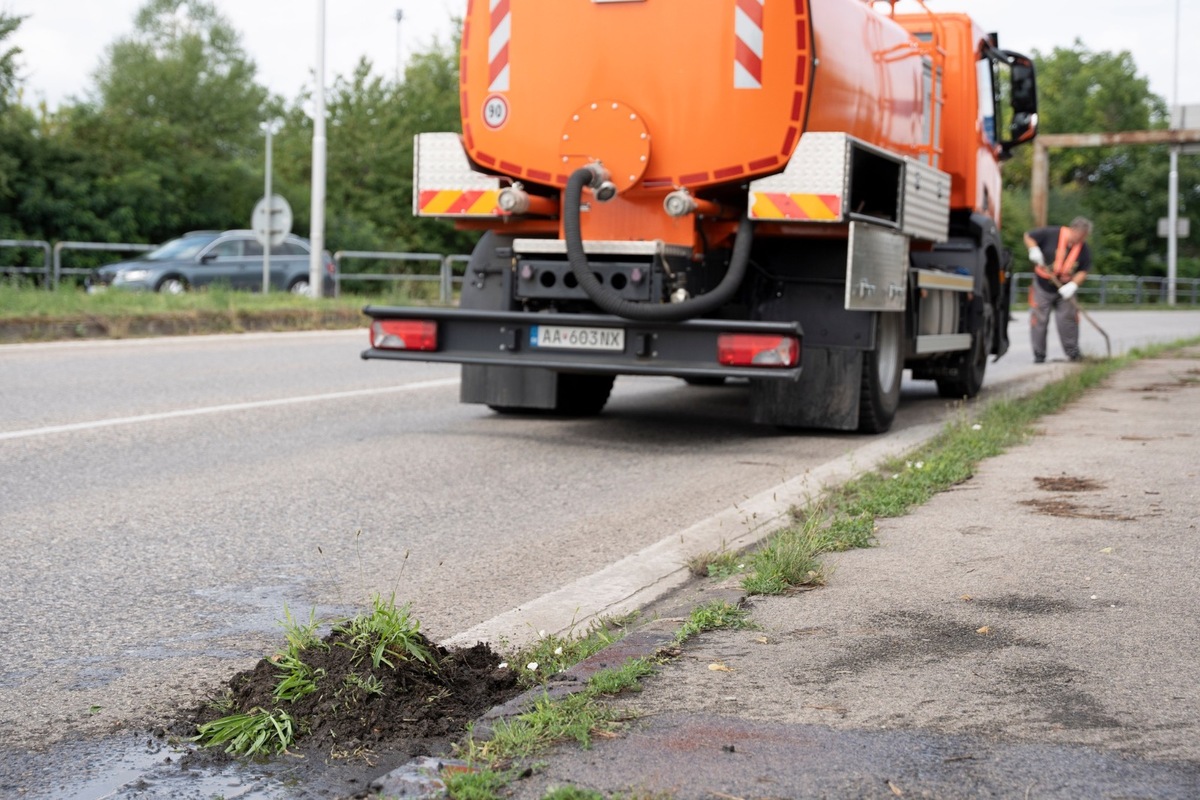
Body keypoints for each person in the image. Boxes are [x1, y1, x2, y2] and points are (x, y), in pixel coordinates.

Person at [1023, 217, 1093, 363]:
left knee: (1068, 320)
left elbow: (1083, 271)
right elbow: (1028, 236)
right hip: (1042, 285)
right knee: (1039, 319)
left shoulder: (1083, 248)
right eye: (1080, 235)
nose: (1081, 239)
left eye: (1084, 237)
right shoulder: (1051, 233)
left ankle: (1073, 352)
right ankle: (1039, 354)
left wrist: (1073, 285)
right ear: (1073, 230)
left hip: (1064, 290)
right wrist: (1033, 249)